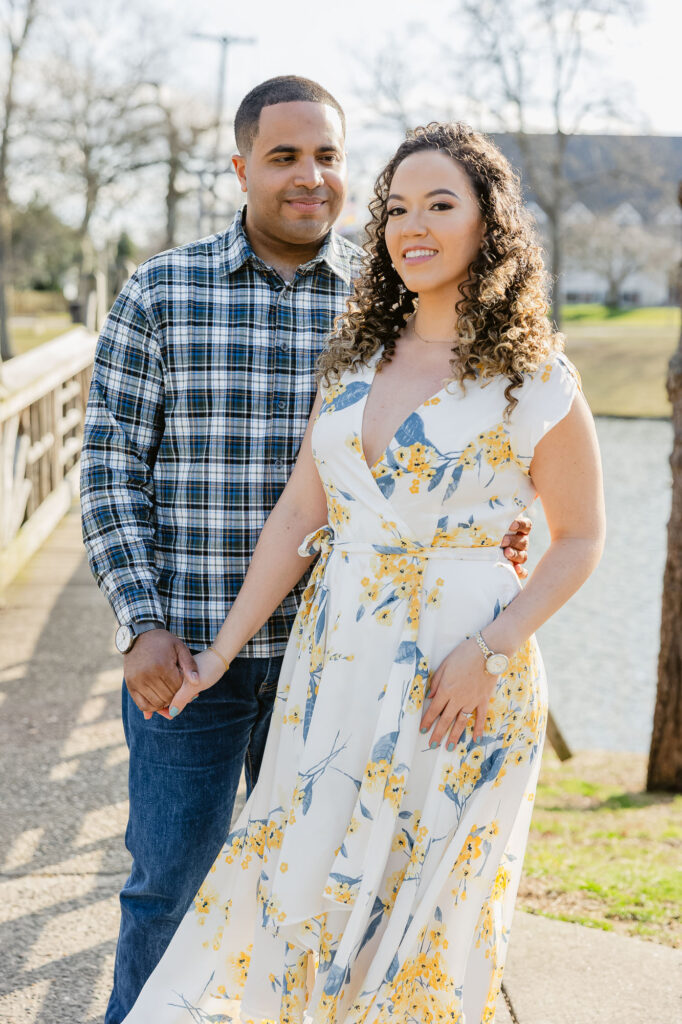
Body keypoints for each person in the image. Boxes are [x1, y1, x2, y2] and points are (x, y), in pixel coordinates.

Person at [120, 121, 605, 1023]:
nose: (411, 225)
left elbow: (579, 540)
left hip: (459, 680)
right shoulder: (353, 356)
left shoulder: (535, 378)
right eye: (396, 208)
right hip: (333, 664)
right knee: (296, 890)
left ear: (489, 224)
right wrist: (222, 653)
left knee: (417, 919)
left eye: (440, 205)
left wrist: (490, 651)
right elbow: (302, 514)